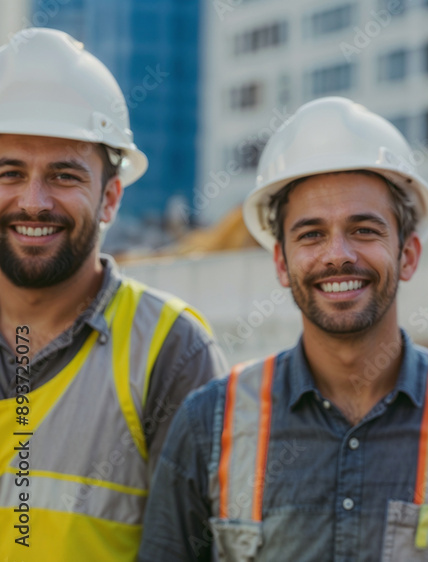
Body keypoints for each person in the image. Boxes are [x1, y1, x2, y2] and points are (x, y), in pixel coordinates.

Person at [139, 97, 428, 561]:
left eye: (364, 230)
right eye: (311, 235)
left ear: (408, 255)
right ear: (280, 262)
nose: (337, 255)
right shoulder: (208, 423)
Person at [0, 28, 226, 561]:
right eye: (10, 172)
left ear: (110, 197)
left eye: (64, 176)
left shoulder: (172, 352)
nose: (34, 202)